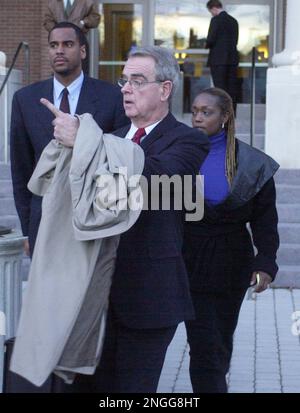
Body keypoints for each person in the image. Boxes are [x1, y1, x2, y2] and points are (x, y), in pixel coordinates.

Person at [40, 45, 210, 393]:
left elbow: (155, 182)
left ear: (164, 90)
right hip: (91, 297)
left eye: (137, 80)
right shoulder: (111, 138)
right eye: (123, 81)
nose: (126, 89)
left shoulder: (188, 140)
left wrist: (87, 142)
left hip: (149, 299)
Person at [183, 87, 280, 393]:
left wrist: (265, 263)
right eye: (195, 111)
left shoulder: (252, 163)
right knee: (203, 344)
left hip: (231, 263)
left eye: (206, 112)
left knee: (221, 338)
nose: (198, 117)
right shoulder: (180, 154)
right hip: (189, 260)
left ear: (225, 116)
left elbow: (266, 220)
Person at [10, 22, 129, 257]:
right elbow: (21, 170)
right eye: (53, 45)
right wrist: (27, 230)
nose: (59, 50)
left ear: (83, 51)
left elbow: (120, 157)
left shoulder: (111, 97)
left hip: (94, 217)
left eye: (68, 44)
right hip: (44, 219)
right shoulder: (25, 99)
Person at [205, 0, 239, 113]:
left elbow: (211, 39)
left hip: (218, 60)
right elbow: (235, 41)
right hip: (232, 59)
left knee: (220, 88)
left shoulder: (215, 20)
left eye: (211, 11)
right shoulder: (234, 21)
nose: (211, 13)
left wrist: (206, 44)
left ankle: (222, 112)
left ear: (213, 8)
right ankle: (232, 112)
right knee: (231, 88)